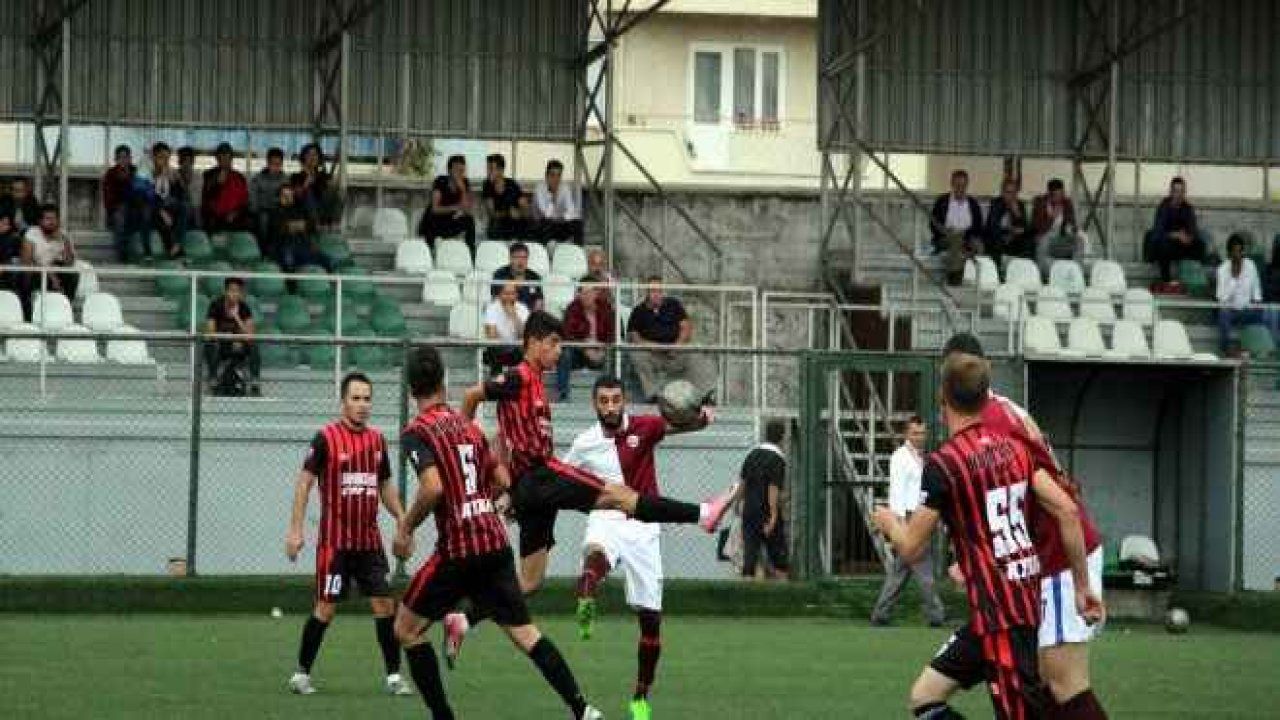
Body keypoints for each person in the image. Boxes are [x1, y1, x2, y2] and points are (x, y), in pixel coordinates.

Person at [446, 312, 735, 665]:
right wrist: (469, 444)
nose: (559, 352)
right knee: (621, 496)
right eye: (554, 344)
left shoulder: (535, 383)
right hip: (541, 474)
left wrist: (508, 484)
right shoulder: (519, 376)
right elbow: (472, 395)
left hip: (530, 488)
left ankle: (463, 619)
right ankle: (704, 514)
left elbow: (507, 434)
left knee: (529, 582)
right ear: (533, 343)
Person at [873, 352, 1104, 720]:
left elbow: (911, 546)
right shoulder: (1013, 447)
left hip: (1004, 614)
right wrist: (1081, 586)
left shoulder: (945, 463)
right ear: (986, 395)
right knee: (924, 697)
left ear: (942, 396)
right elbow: (1064, 507)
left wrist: (887, 521)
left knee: (1060, 689)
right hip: (1011, 602)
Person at [393, 345, 604, 720]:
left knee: (406, 629)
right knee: (526, 635)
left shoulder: (416, 432)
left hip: (458, 549)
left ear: (411, 389)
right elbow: (501, 476)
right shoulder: (469, 427)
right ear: (443, 382)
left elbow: (433, 487)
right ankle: (583, 709)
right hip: (494, 542)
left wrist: (406, 528)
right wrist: (491, 500)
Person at [941, 332, 1110, 719]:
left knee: (1065, 682)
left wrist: (1080, 583)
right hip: (1047, 556)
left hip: (1061, 552)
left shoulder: (990, 424)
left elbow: (1055, 505)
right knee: (1042, 681)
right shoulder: (1001, 411)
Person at [565, 375, 715, 720]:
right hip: (607, 516)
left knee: (650, 622)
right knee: (596, 554)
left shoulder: (644, 427)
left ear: (623, 402)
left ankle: (640, 697)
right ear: (594, 404)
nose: (610, 407)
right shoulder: (584, 443)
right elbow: (560, 475)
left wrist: (704, 416)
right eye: (603, 401)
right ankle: (587, 593)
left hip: (644, 526)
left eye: (615, 400)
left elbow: (683, 424)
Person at [284, 372, 410, 697]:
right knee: (326, 608)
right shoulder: (325, 438)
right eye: (356, 398)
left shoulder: (377, 441)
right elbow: (304, 483)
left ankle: (394, 677)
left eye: (367, 398)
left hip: (369, 543)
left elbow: (384, 485)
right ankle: (301, 673)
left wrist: (402, 519)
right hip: (335, 543)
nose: (362, 405)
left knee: (385, 605)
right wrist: (296, 529)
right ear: (343, 402)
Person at [870, 415, 945, 627]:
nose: (920, 437)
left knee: (901, 570)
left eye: (922, 433)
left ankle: (881, 613)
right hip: (910, 517)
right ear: (906, 434)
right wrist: (900, 523)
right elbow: (897, 490)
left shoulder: (923, 457)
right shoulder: (900, 457)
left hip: (921, 515)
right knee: (922, 567)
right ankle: (936, 614)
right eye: (915, 433)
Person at [626, 276, 716, 401]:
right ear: (646, 293)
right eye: (652, 291)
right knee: (636, 354)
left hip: (676, 353)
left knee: (696, 353)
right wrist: (652, 346)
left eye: (659, 291)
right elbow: (633, 337)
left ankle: (704, 395)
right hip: (653, 355)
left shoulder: (673, 304)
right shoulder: (638, 311)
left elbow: (686, 327)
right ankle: (654, 396)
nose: (656, 294)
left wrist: (677, 346)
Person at [737, 420, 789, 580]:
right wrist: (773, 515)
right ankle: (783, 586)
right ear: (782, 437)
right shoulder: (777, 459)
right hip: (766, 511)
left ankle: (747, 587)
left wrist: (738, 504)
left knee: (750, 557)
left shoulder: (752, 455)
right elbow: (773, 488)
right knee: (779, 557)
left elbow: (743, 483)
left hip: (749, 510)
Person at [556, 276, 615, 401]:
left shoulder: (606, 308)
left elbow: (612, 334)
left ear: (596, 293)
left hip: (600, 350)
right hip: (579, 352)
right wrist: (585, 348)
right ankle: (563, 393)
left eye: (589, 292)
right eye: (583, 292)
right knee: (564, 354)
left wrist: (602, 349)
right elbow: (566, 334)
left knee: (615, 355)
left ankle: (610, 393)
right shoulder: (573, 308)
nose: (586, 296)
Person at [203, 277, 261, 397]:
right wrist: (229, 338)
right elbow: (210, 332)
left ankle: (255, 383)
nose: (234, 294)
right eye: (232, 290)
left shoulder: (244, 308)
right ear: (225, 291)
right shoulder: (216, 305)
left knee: (254, 346)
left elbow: (250, 335)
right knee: (210, 344)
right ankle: (213, 381)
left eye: (238, 291)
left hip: (239, 344)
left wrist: (237, 318)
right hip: (221, 344)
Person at [1147, 177, 1205, 293]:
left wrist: (1188, 237)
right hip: (1166, 244)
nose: (1179, 195)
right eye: (1176, 191)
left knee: (1200, 245)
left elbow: (1193, 229)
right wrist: (1176, 235)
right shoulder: (1164, 206)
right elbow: (1159, 231)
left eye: (1181, 191)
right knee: (1162, 245)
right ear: (1171, 192)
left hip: (1181, 245)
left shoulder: (1187, 208)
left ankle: (1194, 280)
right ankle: (1166, 280)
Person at [268, 184, 331, 287]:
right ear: (279, 197)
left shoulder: (299, 210)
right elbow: (280, 228)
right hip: (283, 246)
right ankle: (291, 290)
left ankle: (332, 287)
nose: (288, 198)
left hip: (302, 246)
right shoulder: (274, 211)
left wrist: (297, 226)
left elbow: (311, 226)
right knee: (288, 260)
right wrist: (297, 225)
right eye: (285, 195)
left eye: (290, 195)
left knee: (325, 260)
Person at [930, 169, 985, 285]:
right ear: (952, 184)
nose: (960, 188)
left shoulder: (973, 204)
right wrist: (946, 231)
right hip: (946, 237)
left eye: (963, 185)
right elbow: (933, 224)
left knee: (978, 245)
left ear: (967, 185)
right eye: (957, 185)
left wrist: (965, 234)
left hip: (967, 238)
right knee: (956, 241)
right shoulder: (942, 201)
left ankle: (976, 279)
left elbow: (978, 226)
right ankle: (955, 280)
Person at [20, 203, 78, 305]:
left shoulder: (63, 235)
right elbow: (26, 262)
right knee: (27, 276)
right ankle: (27, 309)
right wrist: (50, 274)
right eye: (48, 219)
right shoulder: (32, 233)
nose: (51, 222)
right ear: (40, 221)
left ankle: (66, 305)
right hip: (36, 270)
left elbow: (69, 263)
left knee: (72, 275)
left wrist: (65, 242)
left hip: (55, 269)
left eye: (54, 219)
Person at [1216, 233, 1263, 355]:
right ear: (1229, 253)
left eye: (1240, 252)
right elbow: (1221, 298)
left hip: (1247, 310)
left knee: (1265, 313)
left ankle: (1258, 350)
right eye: (1234, 252)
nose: (1238, 256)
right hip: (1231, 311)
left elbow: (1256, 290)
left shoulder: (1250, 265)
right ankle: (1226, 350)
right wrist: (1233, 278)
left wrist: (1256, 303)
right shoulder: (1222, 269)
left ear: (1243, 252)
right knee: (1223, 314)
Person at [420, 154, 476, 253]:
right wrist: (455, 208)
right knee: (431, 220)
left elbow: (467, 209)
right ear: (449, 170)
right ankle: (430, 251)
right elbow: (435, 209)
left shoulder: (465, 182)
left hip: (451, 220)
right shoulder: (440, 181)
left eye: (462, 170)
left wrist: (463, 190)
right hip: (436, 220)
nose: (459, 173)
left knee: (469, 221)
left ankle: (471, 253)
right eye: (456, 170)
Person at [102, 145, 147, 262]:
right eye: (120, 158)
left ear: (130, 158)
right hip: (116, 211)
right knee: (120, 217)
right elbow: (109, 199)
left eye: (126, 157)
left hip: (134, 209)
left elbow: (141, 190)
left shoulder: (135, 172)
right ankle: (123, 256)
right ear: (116, 159)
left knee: (141, 213)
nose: (123, 160)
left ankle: (144, 253)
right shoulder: (110, 174)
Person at [1032, 178, 1085, 278]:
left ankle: (1076, 272)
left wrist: (1073, 229)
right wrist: (1052, 218)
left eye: (1061, 194)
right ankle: (1045, 273)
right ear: (1049, 194)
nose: (1059, 198)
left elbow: (1072, 223)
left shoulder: (1067, 203)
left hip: (1061, 239)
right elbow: (1037, 226)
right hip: (1045, 238)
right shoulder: (1040, 203)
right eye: (1056, 195)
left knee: (1079, 241)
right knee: (1043, 240)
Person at [145, 142, 188, 259]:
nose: (165, 161)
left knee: (183, 207)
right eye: (161, 158)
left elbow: (181, 195)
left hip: (166, 206)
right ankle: (173, 248)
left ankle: (176, 245)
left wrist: (177, 181)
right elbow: (147, 197)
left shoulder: (171, 172)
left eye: (167, 158)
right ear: (154, 157)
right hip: (151, 208)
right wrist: (161, 211)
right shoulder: (146, 173)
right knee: (161, 218)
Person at [482, 280, 529, 375]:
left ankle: (521, 380)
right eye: (506, 293)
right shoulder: (492, 308)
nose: (509, 297)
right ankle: (497, 381)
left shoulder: (523, 309)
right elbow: (492, 337)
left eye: (512, 294)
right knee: (493, 350)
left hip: (516, 349)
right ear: (499, 295)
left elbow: (524, 336)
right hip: (498, 349)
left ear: (516, 295)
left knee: (526, 351)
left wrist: (514, 317)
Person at [985, 178, 1031, 273]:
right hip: (998, 237)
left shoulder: (1020, 205)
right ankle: (998, 272)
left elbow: (1025, 227)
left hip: (1015, 238)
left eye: (1014, 193)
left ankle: (1021, 272)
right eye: (1008, 192)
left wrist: (1017, 214)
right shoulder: (996, 204)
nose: (1012, 196)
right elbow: (993, 226)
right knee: (996, 241)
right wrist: (1008, 232)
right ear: (1002, 192)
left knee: (1028, 242)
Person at [201, 142, 250, 232]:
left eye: (227, 157)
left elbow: (244, 201)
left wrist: (235, 213)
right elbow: (206, 198)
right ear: (217, 159)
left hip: (236, 217)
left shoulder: (239, 177)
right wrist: (218, 185)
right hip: (215, 218)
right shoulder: (209, 175)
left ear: (231, 159)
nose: (224, 160)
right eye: (221, 157)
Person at [534, 160, 584, 245]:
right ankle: (545, 250)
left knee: (577, 224)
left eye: (559, 175)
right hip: (541, 224)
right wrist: (553, 194)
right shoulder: (539, 188)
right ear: (546, 176)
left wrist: (562, 218)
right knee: (546, 224)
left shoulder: (564, 188)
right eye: (552, 175)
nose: (556, 179)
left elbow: (571, 211)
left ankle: (577, 250)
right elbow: (546, 214)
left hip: (559, 222)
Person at [482, 153, 531, 240]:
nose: (488, 172)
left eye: (491, 169)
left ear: (501, 170)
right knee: (494, 226)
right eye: (488, 168)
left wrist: (520, 212)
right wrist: (508, 213)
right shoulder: (487, 185)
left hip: (515, 221)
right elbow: (492, 213)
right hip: (499, 222)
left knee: (526, 224)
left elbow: (525, 207)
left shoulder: (512, 184)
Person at [291, 143, 341, 227]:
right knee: (308, 192)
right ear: (304, 157)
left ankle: (333, 223)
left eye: (315, 155)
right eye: (309, 154)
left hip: (323, 211)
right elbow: (295, 197)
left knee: (335, 191)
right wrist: (305, 184)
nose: (312, 157)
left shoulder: (323, 176)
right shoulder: (296, 176)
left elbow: (330, 195)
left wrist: (331, 185)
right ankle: (316, 223)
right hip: (305, 213)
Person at [490, 241, 544, 312]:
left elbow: (539, 301)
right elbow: (497, 300)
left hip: (529, 315)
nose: (521, 262)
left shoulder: (534, 277)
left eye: (524, 258)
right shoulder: (500, 275)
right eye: (517, 257)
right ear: (510, 258)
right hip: (505, 313)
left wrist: (533, 316)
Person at [250, 147, 289, 239]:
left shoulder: (285, 179)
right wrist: (255, 210)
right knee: (264, 219)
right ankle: (264, 245)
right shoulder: (258, 178)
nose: (275, 167)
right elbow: (253, 198)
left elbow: (287, 199)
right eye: (273, 164)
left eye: (278, 164)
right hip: (263, 210)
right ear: (268, 163)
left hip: (279, 210)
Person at [176, 146, 203, 223]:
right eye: (182, 160)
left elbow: (194, 198)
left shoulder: (198, 175)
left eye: (187, 160)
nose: (185, 163)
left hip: (194, 209)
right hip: (179, 209)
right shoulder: (175, 174)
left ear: (192, 161)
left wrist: (185, 181)